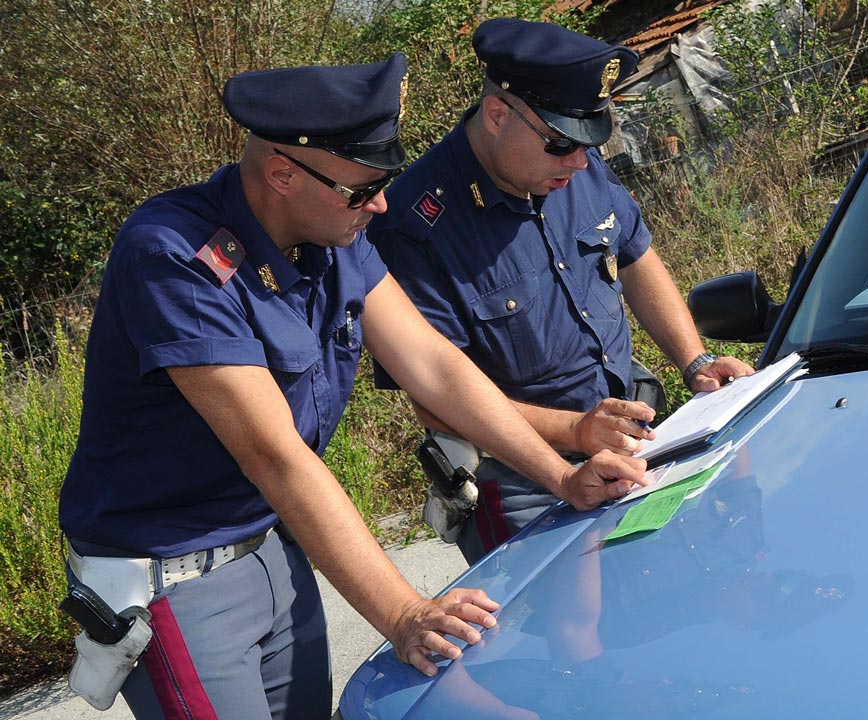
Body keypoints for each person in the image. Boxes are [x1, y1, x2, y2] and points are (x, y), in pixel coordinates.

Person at [57, 53, 647, 719]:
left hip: (270, 542)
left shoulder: (334, 230)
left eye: (383, 182)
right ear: (282, 173)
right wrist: (404, 613)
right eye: (363, 189)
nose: (383, 202)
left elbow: (434, 365)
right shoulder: (173, 258)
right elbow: (275, 457)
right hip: (177, 577)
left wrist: (561, 476)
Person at [367, 19, 754, 564]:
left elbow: (636, 254)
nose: (579, 160)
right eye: (562, 144)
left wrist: (696, 361)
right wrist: (574, 430)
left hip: (634, 444)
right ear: (498, 115)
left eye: (589, 140)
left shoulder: (574, 164)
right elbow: (437, 401)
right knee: (567, 644)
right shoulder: (414, 224)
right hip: (526, 481)